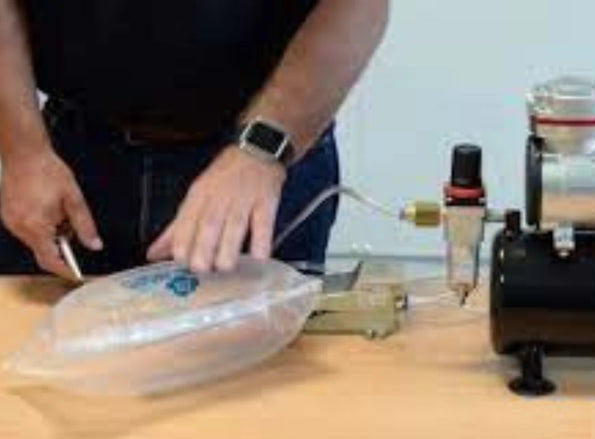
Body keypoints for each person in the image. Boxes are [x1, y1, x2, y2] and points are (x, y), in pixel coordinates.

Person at [0, 0, 389, 279]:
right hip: (68, 156)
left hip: (260, 151)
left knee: (257, 385)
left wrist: (261, 150)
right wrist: (25, 156)